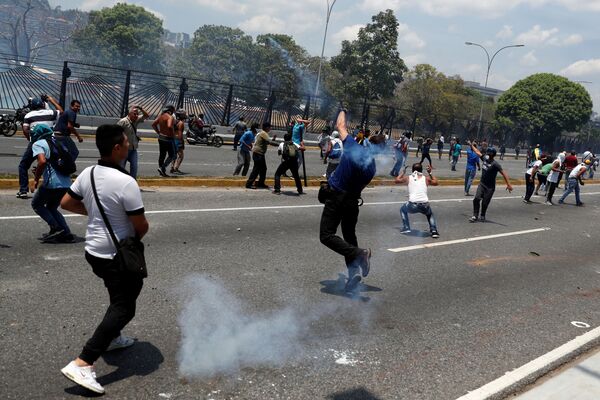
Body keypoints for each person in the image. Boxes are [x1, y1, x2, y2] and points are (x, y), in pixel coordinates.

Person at [60, 124, 149, 395]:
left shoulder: (88, 173)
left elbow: (66, 202)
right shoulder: (126, 182)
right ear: (116, 149)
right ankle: (83, 362)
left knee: (116, 295)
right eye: (126, 142)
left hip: (94, 253)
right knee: (125, 307)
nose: (130, 145)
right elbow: (141, 225)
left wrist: (98, 216)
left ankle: (113, 338)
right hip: (115, 255)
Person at [319, 110, 386, 293]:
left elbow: (340, 125)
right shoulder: (371, 168)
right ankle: (353, 272)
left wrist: (343, 110)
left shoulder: (353, 147)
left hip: (337, 196)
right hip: (352, 202)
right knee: (349, 236)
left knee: (326, 235)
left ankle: (360, 254)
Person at [29, 124, 74, 243]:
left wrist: (36, 179)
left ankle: (56, 228)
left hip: (52, 184)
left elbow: (42, 161)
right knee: (52, 207)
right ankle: (67, 233)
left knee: (37, 204)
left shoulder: (38, 144)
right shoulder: (57, 142)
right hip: (66, 183)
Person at [17, 95, 63, 199]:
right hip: (51, 143)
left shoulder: (28, 115)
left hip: (36, 142)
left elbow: (25, 130)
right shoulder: (51, 112)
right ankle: (55, 189)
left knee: (23, 165)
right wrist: (51, 100)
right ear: (43, 105)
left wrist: (31, 139)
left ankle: (23, 190)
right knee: (53, 165)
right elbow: (61, 111)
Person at [468, 143, 513, 222]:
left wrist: (509, 184)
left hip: (490, 187)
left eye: (489, 154)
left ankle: (482, 215)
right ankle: (475, 215)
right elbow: (478, 152)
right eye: (487, 153)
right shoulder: (485, 158)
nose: (488, 155)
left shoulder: (495, 164)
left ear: (493, 155)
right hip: (482, 184)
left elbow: (504, 173)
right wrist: (471, 145)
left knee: (485, 203)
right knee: (476, 199)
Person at [395, 163, 440, 238]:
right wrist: (430, 173)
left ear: (412, 170)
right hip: (425, 204)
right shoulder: (426, 178)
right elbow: (436, 182)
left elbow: (396, 180)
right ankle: (434, 231)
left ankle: (406, 227)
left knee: (403, 210)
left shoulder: (408, 178)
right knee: (429, 214)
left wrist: (403, 172)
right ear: (422, 170)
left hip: (412, 205)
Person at [117, 105, 148, 179]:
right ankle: (119, 182)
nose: (136, 115)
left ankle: (133, 182)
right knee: (121, 167)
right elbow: (115, 132)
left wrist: (140, 108)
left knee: (134, 166)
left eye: (137, 113)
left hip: (133, 149)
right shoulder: (123, 121)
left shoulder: (136, 120)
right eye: (134, 113)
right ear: (129, 114)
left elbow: (146, 115)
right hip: (124, 149)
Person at [245, 122, 278, 189]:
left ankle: (261, 183)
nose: (270, 128)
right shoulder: (263, 133)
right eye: (269, 127)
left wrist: (274, 139)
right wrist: (280, 144)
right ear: (266, 127)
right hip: (258, 153)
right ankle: (249, 184)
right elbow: (270, 142)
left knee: (263, 169)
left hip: (259, 154)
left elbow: (268, 142)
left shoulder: (262, 133)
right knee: (256, 169)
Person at [152, 105, 176, 177]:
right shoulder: (170, 117)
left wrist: (158, 132)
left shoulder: (161, 116)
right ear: (170, 111)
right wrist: (173, 134)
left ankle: (161, 173)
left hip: (161, 138)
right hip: (168, 138)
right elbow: (169, 126)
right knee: (172, 155)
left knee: (162, 155)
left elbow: (153, 124)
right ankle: (162, 168)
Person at [170, 109, 187, 175]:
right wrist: (181, 141)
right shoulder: (181, 123)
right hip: (178, 140)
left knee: (174, 155)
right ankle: (176, 168)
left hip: (173, 139)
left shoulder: (174, 121)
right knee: (181, 155)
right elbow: (180, 133)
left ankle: (172, 167)